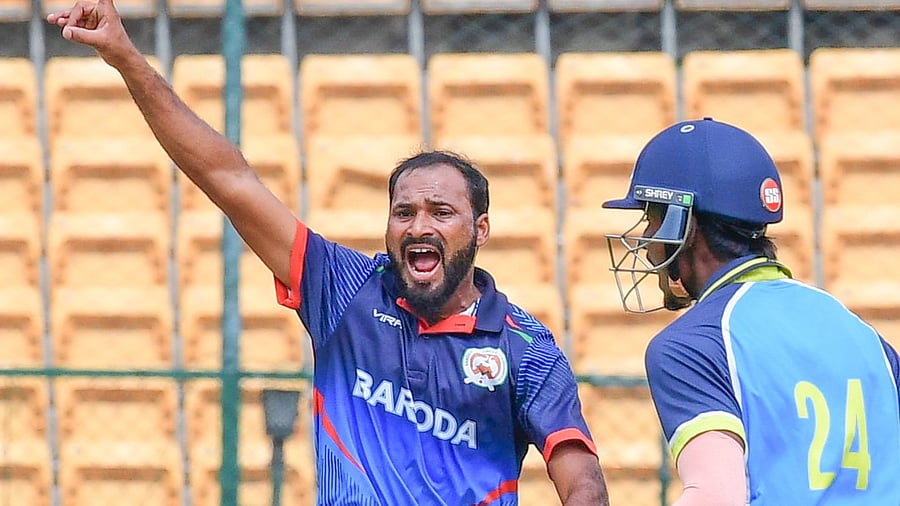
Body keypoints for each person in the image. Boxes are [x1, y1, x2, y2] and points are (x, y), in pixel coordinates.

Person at [47, 1, 610, 504]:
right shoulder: (343, 288)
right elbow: (227, 178)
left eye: (441, 212)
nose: (419, 225)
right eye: (404, 212)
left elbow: (581, 479)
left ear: (480, 229)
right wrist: (127, 59)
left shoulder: (525, 347)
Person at [601, 117, 900, 504]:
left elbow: (717, 495)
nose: (646, 240)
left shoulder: (692, 344)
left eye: (652, 218)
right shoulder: (862, 334)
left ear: (685, 227)